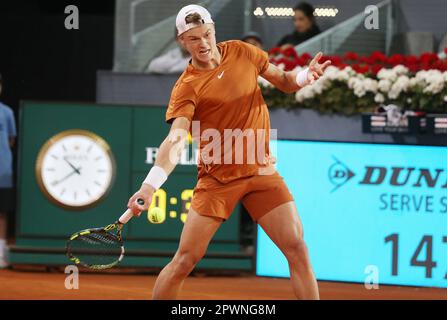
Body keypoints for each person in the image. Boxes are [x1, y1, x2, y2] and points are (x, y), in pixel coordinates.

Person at [127, 4, 330, 300]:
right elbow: (176, 138)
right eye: (194, 38)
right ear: (182, 41)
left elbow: (284, 81)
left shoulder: (243, 51)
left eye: (207, 34)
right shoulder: (186, 87)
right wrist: (150, 185)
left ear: (214, 30)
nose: (203, 43)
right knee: (185, 261)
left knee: (297, 247)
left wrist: (304, 77)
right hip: (218, 181)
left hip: (261, 172)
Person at [0, 73, 17, 268]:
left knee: (2, 212)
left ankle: (1, 253)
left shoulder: (7, 112)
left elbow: (11, 140)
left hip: (2, 172)